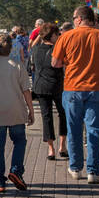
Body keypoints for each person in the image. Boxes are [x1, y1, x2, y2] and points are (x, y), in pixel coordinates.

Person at [51, 4, 99, 183]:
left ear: (78, 19)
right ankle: (93, 171)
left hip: (72, 88)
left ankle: (75, 168)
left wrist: (69, 63)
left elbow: (55, 63)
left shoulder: (66, 37)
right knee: (95, 131)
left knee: (74, 129)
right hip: (96, 89)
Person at [0, 35, 34, 194]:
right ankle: (16, 170)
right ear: (11, 48)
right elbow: (26, 91)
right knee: (19, 141)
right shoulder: (18, 66)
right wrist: (31, 111)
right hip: (16, 111)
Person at [30, 22, 68, 160]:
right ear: (52, 35)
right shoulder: (59, 49)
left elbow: (32, 67)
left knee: (46, 117)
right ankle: (62, 146)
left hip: (41, 86)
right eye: (57, 34)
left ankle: (51, 149)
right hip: (58, 85)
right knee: (63, 114)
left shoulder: (35, 49)